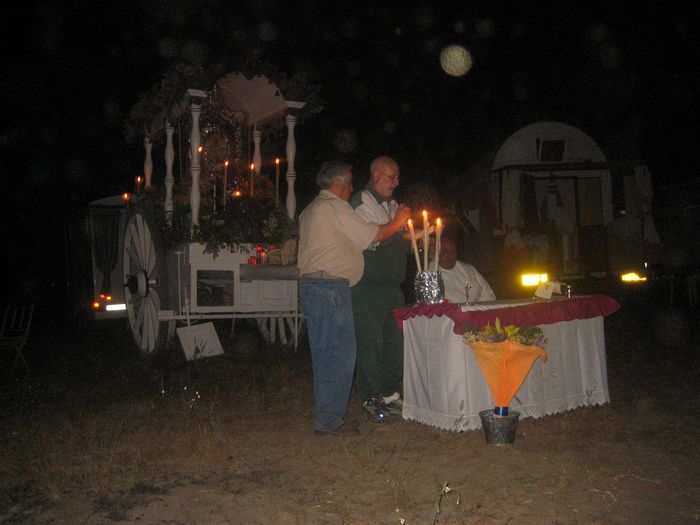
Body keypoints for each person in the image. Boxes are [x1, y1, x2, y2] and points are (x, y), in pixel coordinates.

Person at [298, 160, 411, 436]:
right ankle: (329, 421)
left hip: (316, 286)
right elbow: (375, 234)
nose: (351, 189)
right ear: (336, 183)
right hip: (328, 287)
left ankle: (329, 418)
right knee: (339, 356)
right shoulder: (334, 207)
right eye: (348, 183)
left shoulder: (311, 209)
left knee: (327, 355)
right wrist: (399, 220)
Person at [350, 155, 414, 423]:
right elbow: (372, 238)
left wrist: (417, 236)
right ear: (376, 175)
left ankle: (390, 393)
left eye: (398, 176)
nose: (397, 182)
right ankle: (369, 397)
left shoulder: (391, 205)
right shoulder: (361, 202)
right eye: (392, 176)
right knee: (370, 343)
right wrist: (398, 223)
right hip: (368, 287)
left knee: (394, 342)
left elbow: (394, 238)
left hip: (393, 287)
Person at [433, 236, 496, 304]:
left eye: (453, 251)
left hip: (478, 309)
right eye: (445, 252)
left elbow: (487, 294)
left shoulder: (468, 269)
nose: (450, 255)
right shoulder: (431, 273)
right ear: (436, 253)